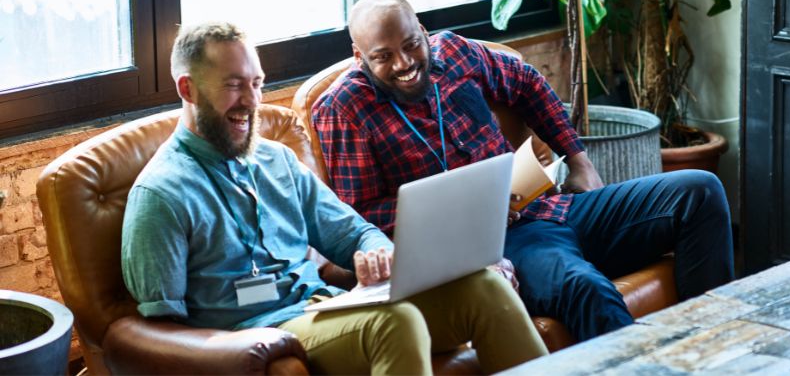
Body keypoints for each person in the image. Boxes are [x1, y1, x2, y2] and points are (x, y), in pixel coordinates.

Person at [121, 21, 548, 375]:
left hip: (326, 307)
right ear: (188, 89)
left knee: (483, 287)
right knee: (394, 323)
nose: (251, 102)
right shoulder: (161, 195)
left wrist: (376, 253)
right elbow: (162, 332)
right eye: (234, 86)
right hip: (258, 333)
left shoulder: (277, 161)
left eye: (257, 84)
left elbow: (356, 233)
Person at [312, 0, 735, 343]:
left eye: (410, 45)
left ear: (422, 30)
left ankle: (712, 350)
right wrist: (465, 210)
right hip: (496, 246)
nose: (404, 63)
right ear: (359, 56)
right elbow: (361, 215)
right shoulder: (344, 109)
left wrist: (579, 162)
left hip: (549, 207)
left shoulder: (454, 53)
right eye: (383, 56)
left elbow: (527, 82)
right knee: (583, 287)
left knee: (699, 190)